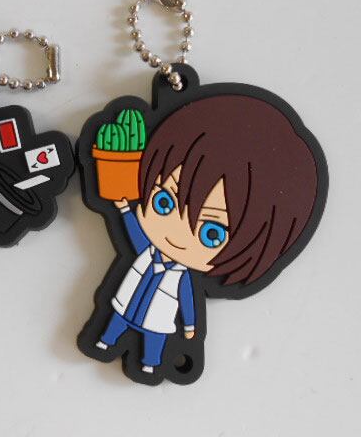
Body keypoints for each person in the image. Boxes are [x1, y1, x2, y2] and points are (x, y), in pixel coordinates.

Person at [96, 95, 319, 373]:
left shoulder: (183, 277)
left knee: (154, 336)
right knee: (118, 318)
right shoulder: (148, 252)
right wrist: (125, 210)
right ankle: (105, 341)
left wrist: (190, 325)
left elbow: (188, 299)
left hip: (158, 313)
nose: (177, 233)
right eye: (164, 202)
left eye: (211, 233)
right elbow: (136, 236)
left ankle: (150, 364)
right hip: (128, 299)